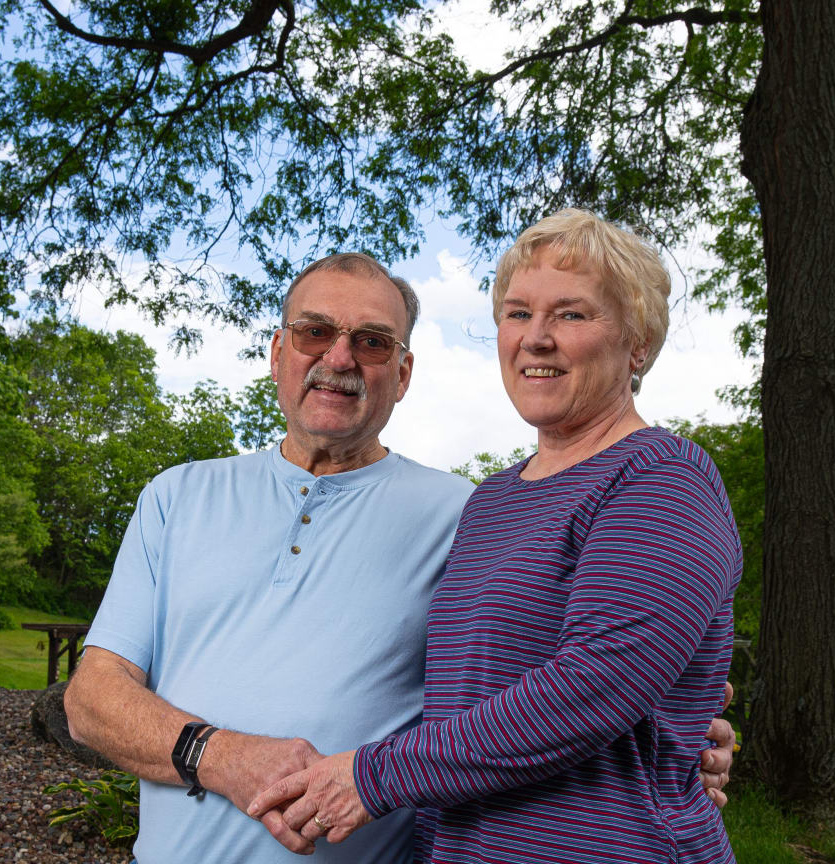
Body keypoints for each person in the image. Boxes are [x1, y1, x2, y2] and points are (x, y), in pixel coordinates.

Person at [64, 251, 736, 863]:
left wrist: (681, 725)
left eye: (372, 342)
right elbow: (92, 700)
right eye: (313, 332)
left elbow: (581, 670)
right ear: (278, 353)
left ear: (404, 372)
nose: (340, 357)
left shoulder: (465, 512)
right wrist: (222, 757)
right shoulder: (178, 496)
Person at [249, 211, 740, 864]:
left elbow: (593, 689)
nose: (535, 339)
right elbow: (464, 686)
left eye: (571, 315)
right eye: (517, 314)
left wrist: (371, 777)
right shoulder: (491, 501)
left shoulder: (662, 477)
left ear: (638, 342)